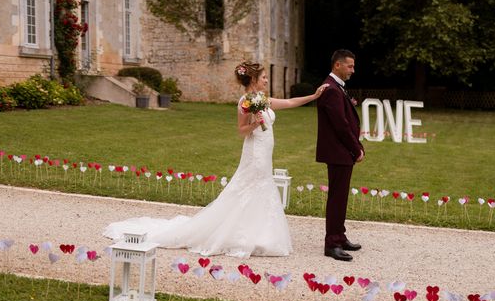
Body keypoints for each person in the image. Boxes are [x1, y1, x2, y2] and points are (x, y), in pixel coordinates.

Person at [103, 61, 328, 258]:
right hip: (255, 152)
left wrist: (314, 96)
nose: (267, 80)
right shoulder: (246, 101)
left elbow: (288, 103)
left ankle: (260, 235)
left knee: (261, 188)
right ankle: (243, 236)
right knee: (251, 188)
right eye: (263, 77)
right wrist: (256, 123)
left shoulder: (261, 99)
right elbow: (241, 130)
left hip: (266, 150)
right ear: (253, 79)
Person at [316, 49, 365, 261]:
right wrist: (357, 148)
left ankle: (340, 235)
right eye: (350, 66)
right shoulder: (332, 90)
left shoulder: (337, 88)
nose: (353, 70)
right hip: (338, 151)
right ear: (338, 65)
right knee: (337, 197)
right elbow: (341, 126)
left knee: (341, 196)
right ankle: (332, 243)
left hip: (341, 151)